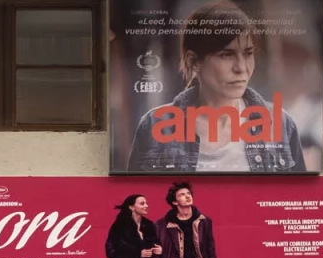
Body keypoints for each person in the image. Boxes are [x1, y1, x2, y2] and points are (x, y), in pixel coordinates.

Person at [126, 0, 306, 174]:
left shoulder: (281, 124)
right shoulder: (155, 126)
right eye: (226, 55)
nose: (241, 68)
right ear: (193, 61)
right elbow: (137, 200)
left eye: (248, 53)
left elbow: (296, 197)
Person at [158, 182, 221, 258]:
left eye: (188, 193)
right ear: (175, 202)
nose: (187, 196)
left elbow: (210, 252)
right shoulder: (163, 225)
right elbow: (157, 254)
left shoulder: (204, 221)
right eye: (182, 195)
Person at [105, 194, 163, 258]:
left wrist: (159, 250)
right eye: (142, 203)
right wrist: (137, 254)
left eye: (146, 203)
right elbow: (111, 252)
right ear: (131, 207)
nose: (146, 206)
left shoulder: (149, 225)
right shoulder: (120, 226)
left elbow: (156, 244)